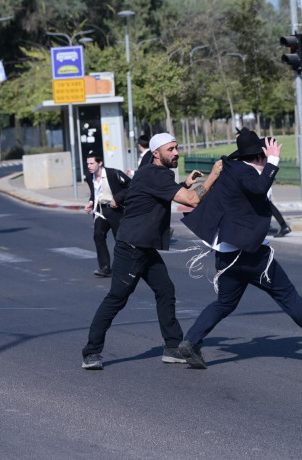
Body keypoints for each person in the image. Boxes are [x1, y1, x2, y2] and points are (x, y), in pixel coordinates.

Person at [178, 130, 302, 369]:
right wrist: (274, 161)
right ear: (259, 156)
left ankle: (191, 341)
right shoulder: (248, 173)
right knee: (287, 295)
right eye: (264, 156)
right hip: (252, 255)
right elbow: (258, 188)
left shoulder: (232, 171)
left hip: (226, 253)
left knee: (224, 303)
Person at [81, 133, 222, 370]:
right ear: (156, 153)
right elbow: (191, 200)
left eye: (177, 148)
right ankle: (91, 352)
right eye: (170, 150)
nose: (176, 152)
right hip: (133, 246)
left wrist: (184, 184)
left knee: (165, 290)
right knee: (117, 298)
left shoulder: (151, 172)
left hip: (143, 245)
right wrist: (215, 175)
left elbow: (163, 192)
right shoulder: (156, 174)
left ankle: (172, 347)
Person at [84, 152, 131, 277]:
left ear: (100, 163)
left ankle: (127, 267)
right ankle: (104, 267)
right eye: (87, 163)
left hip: (115, 210)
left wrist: (117, 198)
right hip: (100, 210)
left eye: (92, 163)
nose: (89, 166)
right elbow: (94, 192)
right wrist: (90, 202)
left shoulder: (113, 174)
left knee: (120, 239)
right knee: (98, 235)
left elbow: (130, 186)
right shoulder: (89, 177)